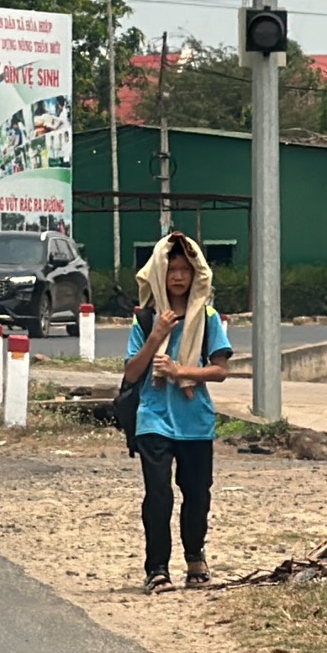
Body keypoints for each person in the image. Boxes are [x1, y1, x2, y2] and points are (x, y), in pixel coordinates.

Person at [122, 231, 232, 593]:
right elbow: (131, 373)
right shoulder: (145, 319)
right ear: (159, 272)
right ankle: (156, 568)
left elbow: (220, 370)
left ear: (197, 273)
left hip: (195, 421)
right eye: (172, 269)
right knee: (158, 495)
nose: (179, 276)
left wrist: (180, 371)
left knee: (197, 494)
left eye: (186, 269)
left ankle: (195, 558)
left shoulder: (207, 317)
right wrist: (157, 336)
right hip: (153, 418)